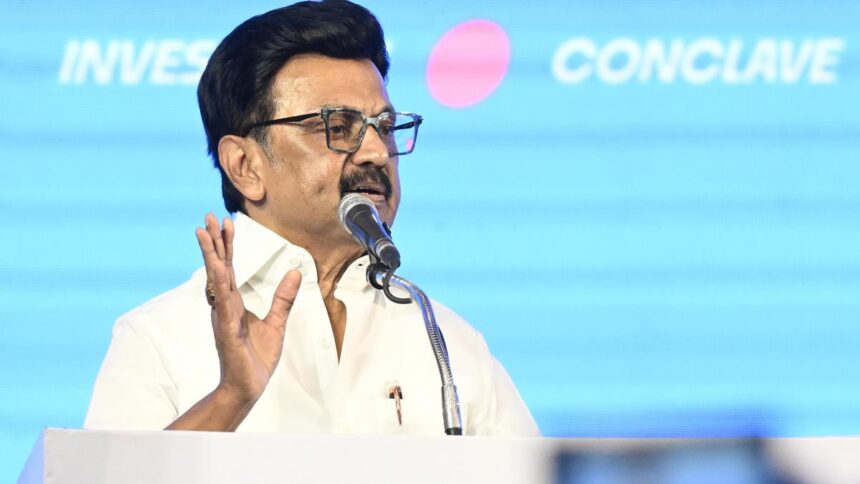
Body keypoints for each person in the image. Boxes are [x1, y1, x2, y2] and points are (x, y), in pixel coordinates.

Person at [84, 0, 539, 436]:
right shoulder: (158, 338)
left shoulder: (447, 344)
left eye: (384, 127)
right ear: (245, 166)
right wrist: (231, 398)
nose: (378, 152)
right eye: (338, 127)